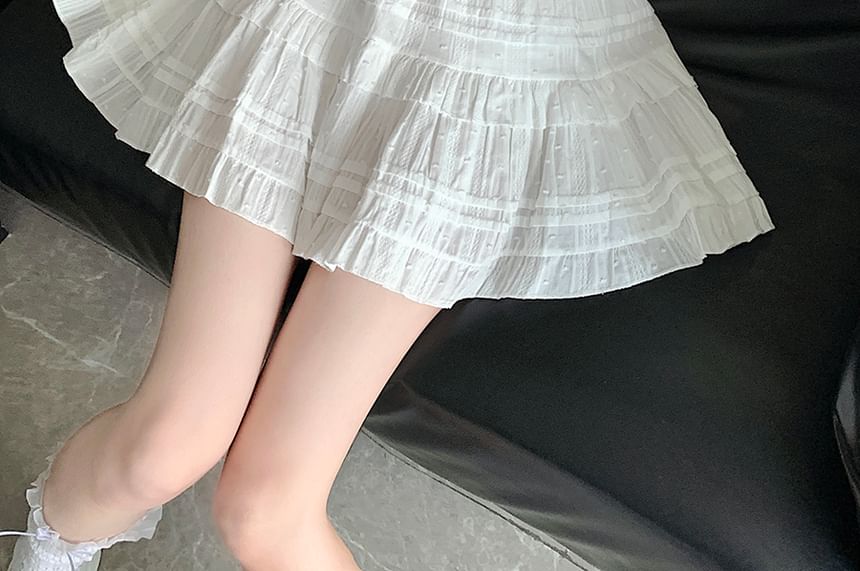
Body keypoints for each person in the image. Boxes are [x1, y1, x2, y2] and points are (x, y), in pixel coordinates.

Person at [2, 0, 776, 569]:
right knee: (166, 444)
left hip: (496, 68)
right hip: (314, 24)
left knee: (267, 510)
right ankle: (54, 540)